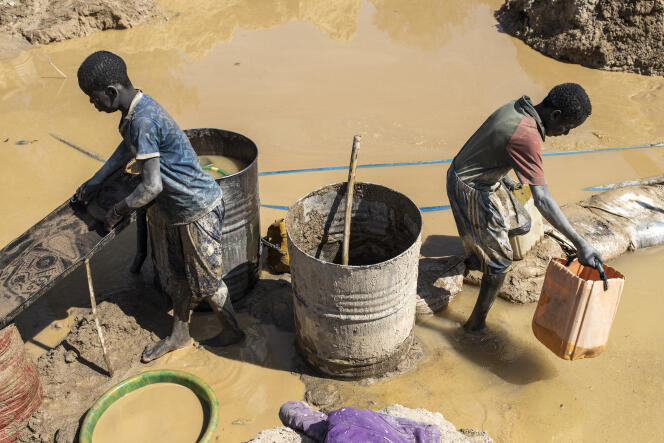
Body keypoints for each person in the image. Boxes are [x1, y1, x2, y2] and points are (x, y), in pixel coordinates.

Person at [74, 50, 244, 361]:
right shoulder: (134, 113)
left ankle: (234, 333)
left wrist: (117, 210)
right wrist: (97, 180)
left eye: (93, 97)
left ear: (111, 92)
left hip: (197, 209)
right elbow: (125, 151)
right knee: (178, 276)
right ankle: (179, 334)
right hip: (176, 210)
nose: (92, 104)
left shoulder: (143, 119)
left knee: (207, 284)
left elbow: (151, 186)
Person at [447, 83, 603, 332]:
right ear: (555, 116)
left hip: (486, 177)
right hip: (470, 187)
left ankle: (480, 251)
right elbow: (542, 198)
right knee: (499, 267)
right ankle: (475, 326)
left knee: (523, 223)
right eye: (566, 128)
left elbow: (495, 146)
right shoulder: (527, 136)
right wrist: (580, 243)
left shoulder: (520, 107)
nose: (564, 134)